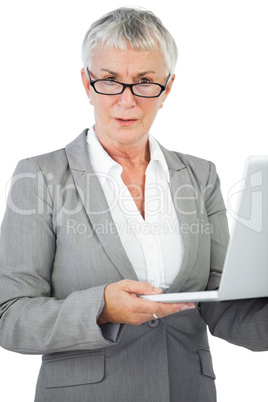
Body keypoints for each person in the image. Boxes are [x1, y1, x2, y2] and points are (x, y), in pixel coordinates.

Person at [0, 7, 267, 402]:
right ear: (86, 84)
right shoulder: (40, 176)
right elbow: (10, 316)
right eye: (110, 80)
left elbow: (222, 304)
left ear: (168, 87)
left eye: (144, 81)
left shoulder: (201, 176)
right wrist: (101, 309)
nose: (127, 100)